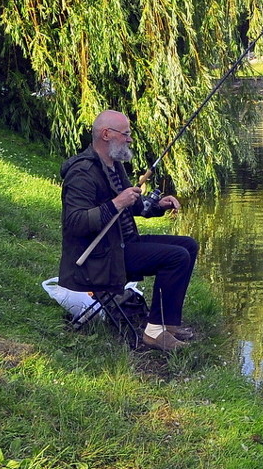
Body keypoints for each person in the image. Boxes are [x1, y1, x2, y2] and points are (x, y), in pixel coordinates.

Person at [58, 110, 199, 351]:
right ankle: (154, 333)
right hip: (96, 260)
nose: (130, 139)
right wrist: (116, 203)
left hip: (119, 246)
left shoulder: (113, 166)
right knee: (176, 257)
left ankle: (167, 323)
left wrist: (157, 206)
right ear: (106, 134)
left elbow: (132, 206)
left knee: (188, 245)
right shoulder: (82, 172)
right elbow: (75, 222)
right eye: (125, 134)